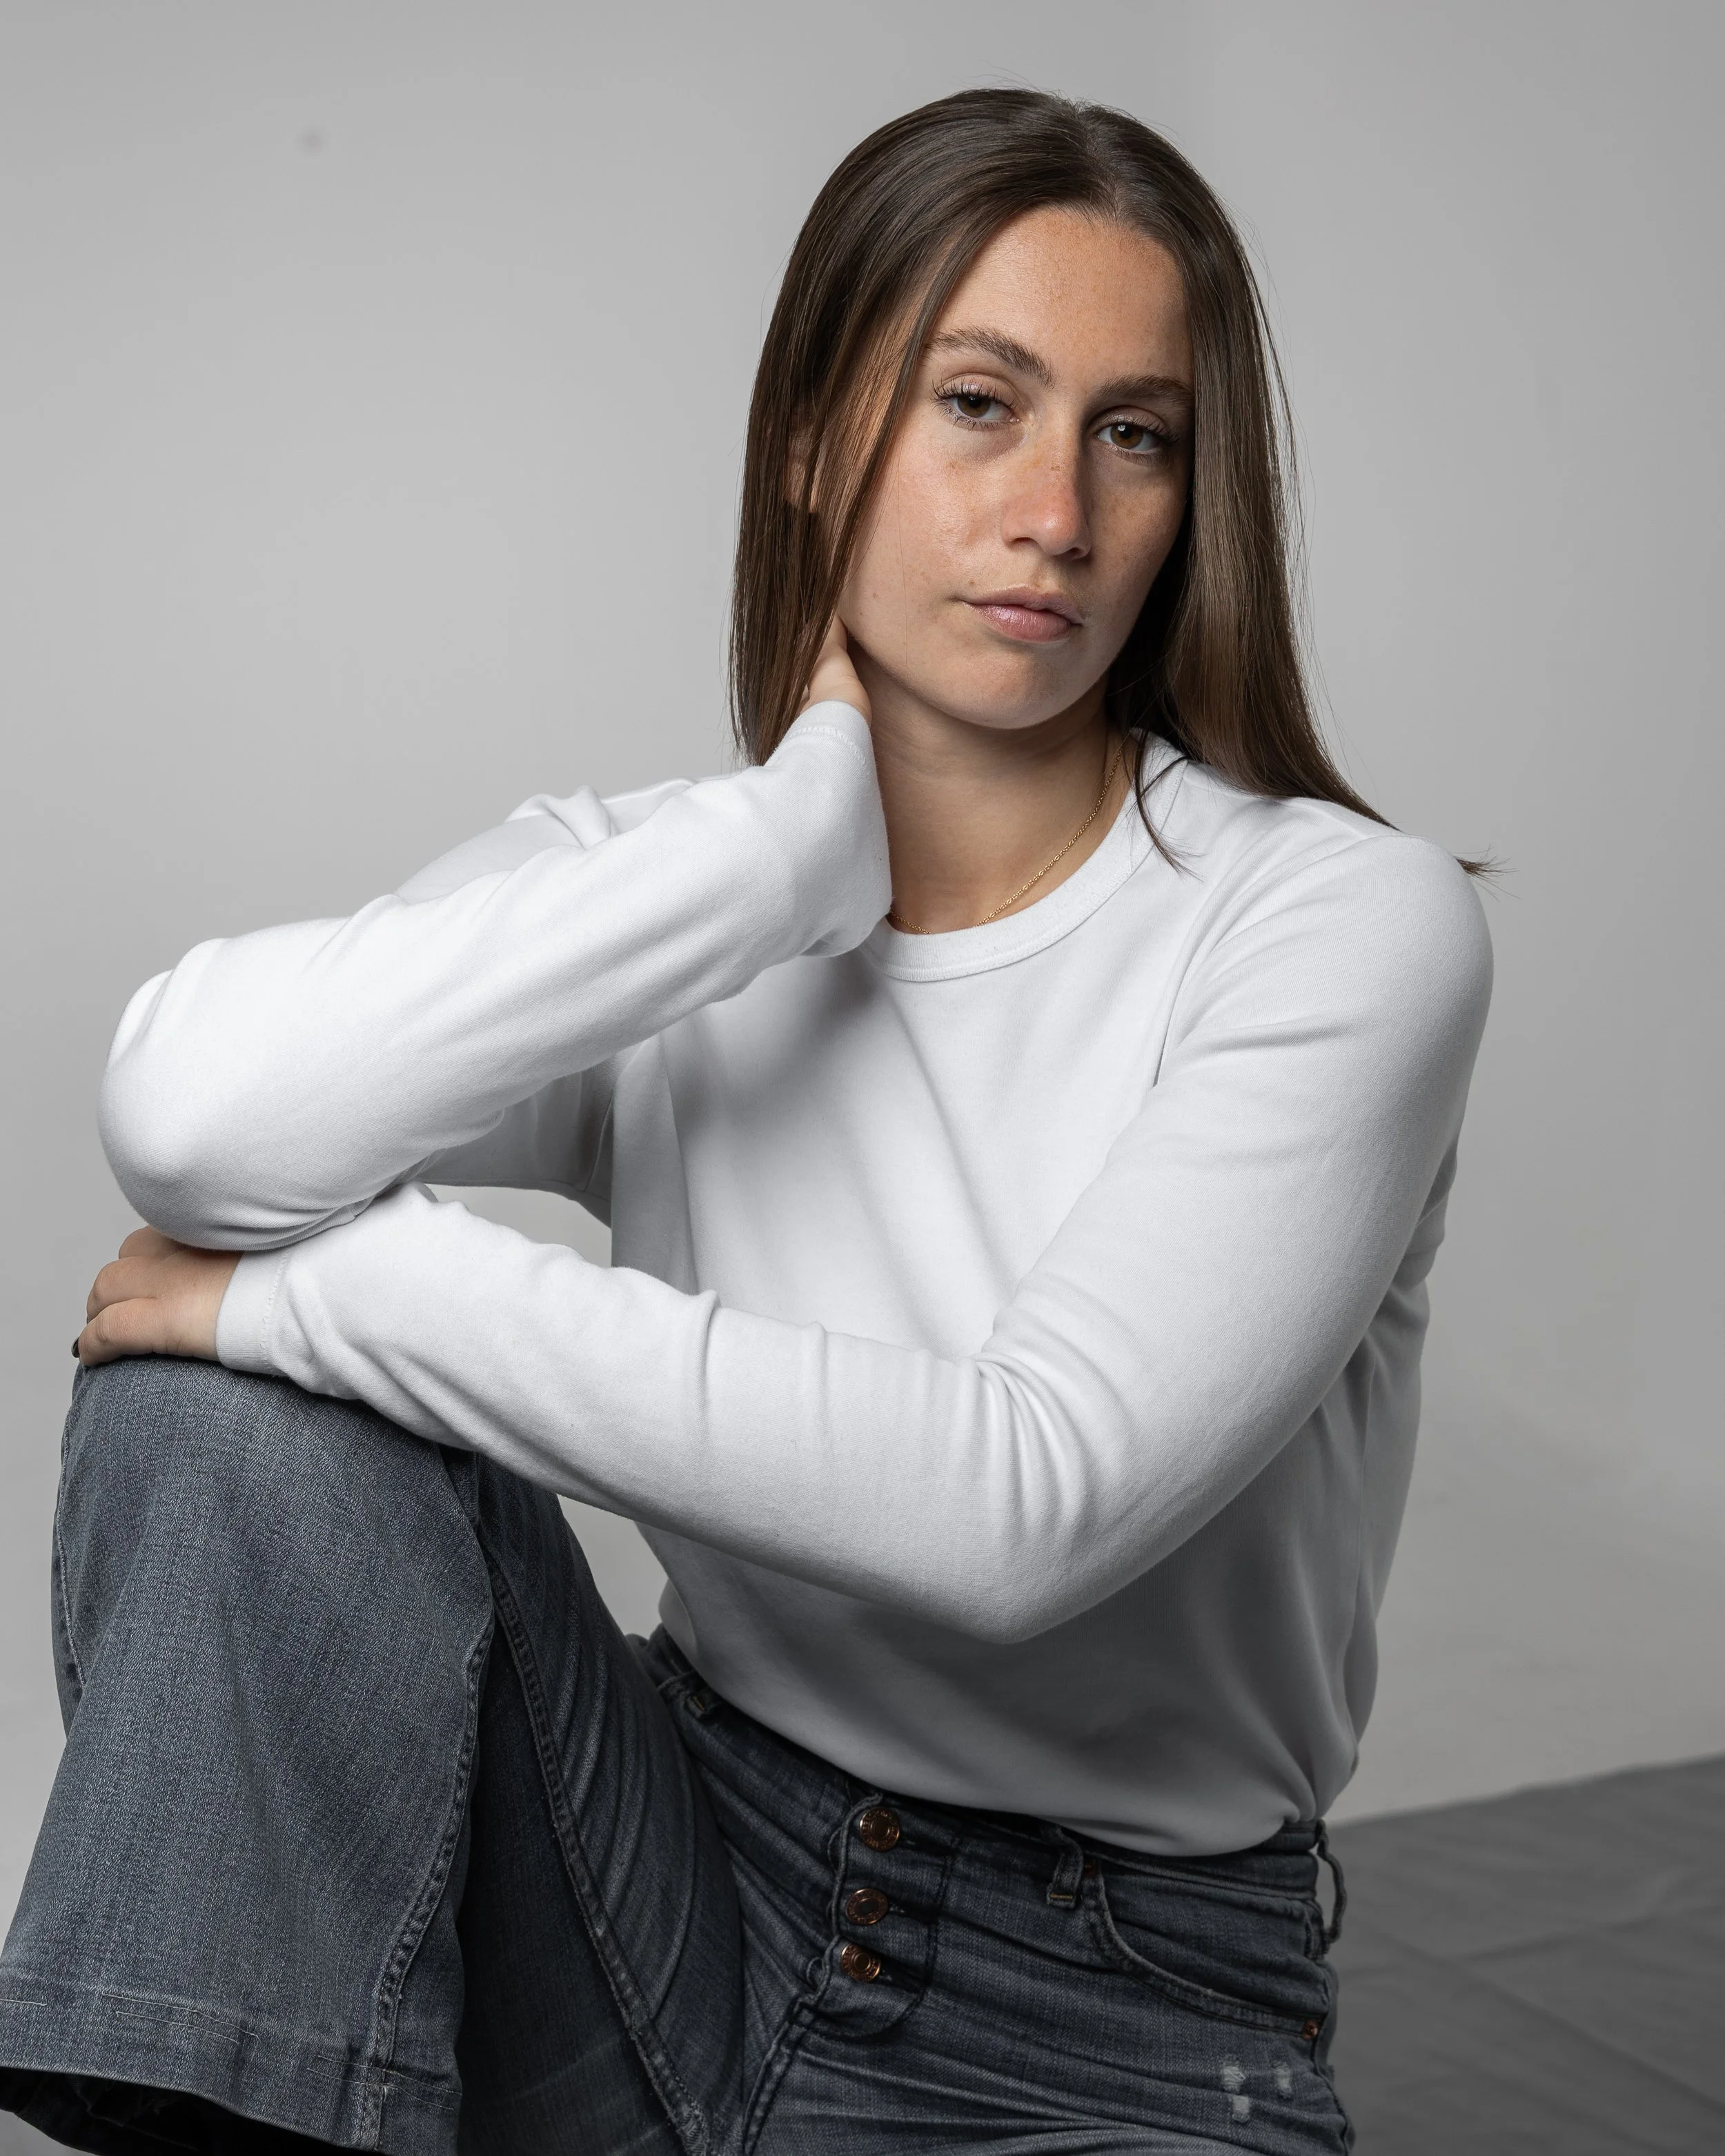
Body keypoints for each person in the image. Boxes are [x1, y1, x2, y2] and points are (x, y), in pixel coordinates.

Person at [0, 87, 1491, 2156]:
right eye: (979, 403)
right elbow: (192, 1116)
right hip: (669, 1883)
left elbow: (1025, 1507)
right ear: (813, 438)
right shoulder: (671, 902)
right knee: (217, 1416)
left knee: (264, 1341)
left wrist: (324, 1295)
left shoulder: (1337, 924)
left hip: (1113, 2013)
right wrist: (771, 864)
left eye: (1134, 434)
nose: (1057, 513)